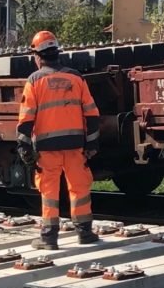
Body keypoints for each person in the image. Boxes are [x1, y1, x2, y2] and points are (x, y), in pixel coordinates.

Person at [16, 30, 101, 250]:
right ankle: (85, 233)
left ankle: (49, 238)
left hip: (47, 148)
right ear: (57, 53)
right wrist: (91, 144)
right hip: (75, 145)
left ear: (37, 56)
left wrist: (24, 147)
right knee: (80, 188)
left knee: (49, 191)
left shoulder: (34, 81)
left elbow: (26, 119)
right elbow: (92, 114)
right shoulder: (76, 78)